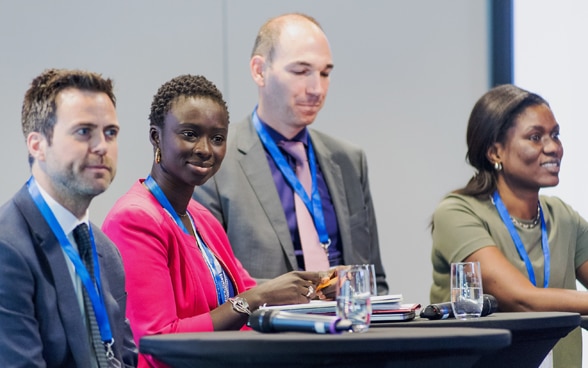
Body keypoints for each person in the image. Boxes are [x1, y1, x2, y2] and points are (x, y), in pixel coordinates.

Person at [102, 74, 325, 367]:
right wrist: (255, 299)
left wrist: (320, 286)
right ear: (156, 136)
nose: (206, 149)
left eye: (217, 138)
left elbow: (252, 292)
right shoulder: (135, 220)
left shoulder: (202, 218)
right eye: (190, 134)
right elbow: (156, 342)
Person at [192, 13, 388, 294]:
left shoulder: (348, 160)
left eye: (325, 73)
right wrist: (316, 289)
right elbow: (215, 282)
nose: (316, 89)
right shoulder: (216, 162)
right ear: (260, 71)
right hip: (267, 333)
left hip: (349, 332)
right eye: (301, 71)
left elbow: (375, 280)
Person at [430, 84, 588, 368]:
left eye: (555, 135)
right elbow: (521, 299)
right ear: (495, 152)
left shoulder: (563, 216)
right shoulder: (457, 212)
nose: (553, 147)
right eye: (536, 137)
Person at [0, 69, 137, 367]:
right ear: (37, 145)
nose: (102, 146)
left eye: (110, 132)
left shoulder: (106, 251)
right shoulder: (7, 249)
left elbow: (125, 358)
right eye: (84, 131)